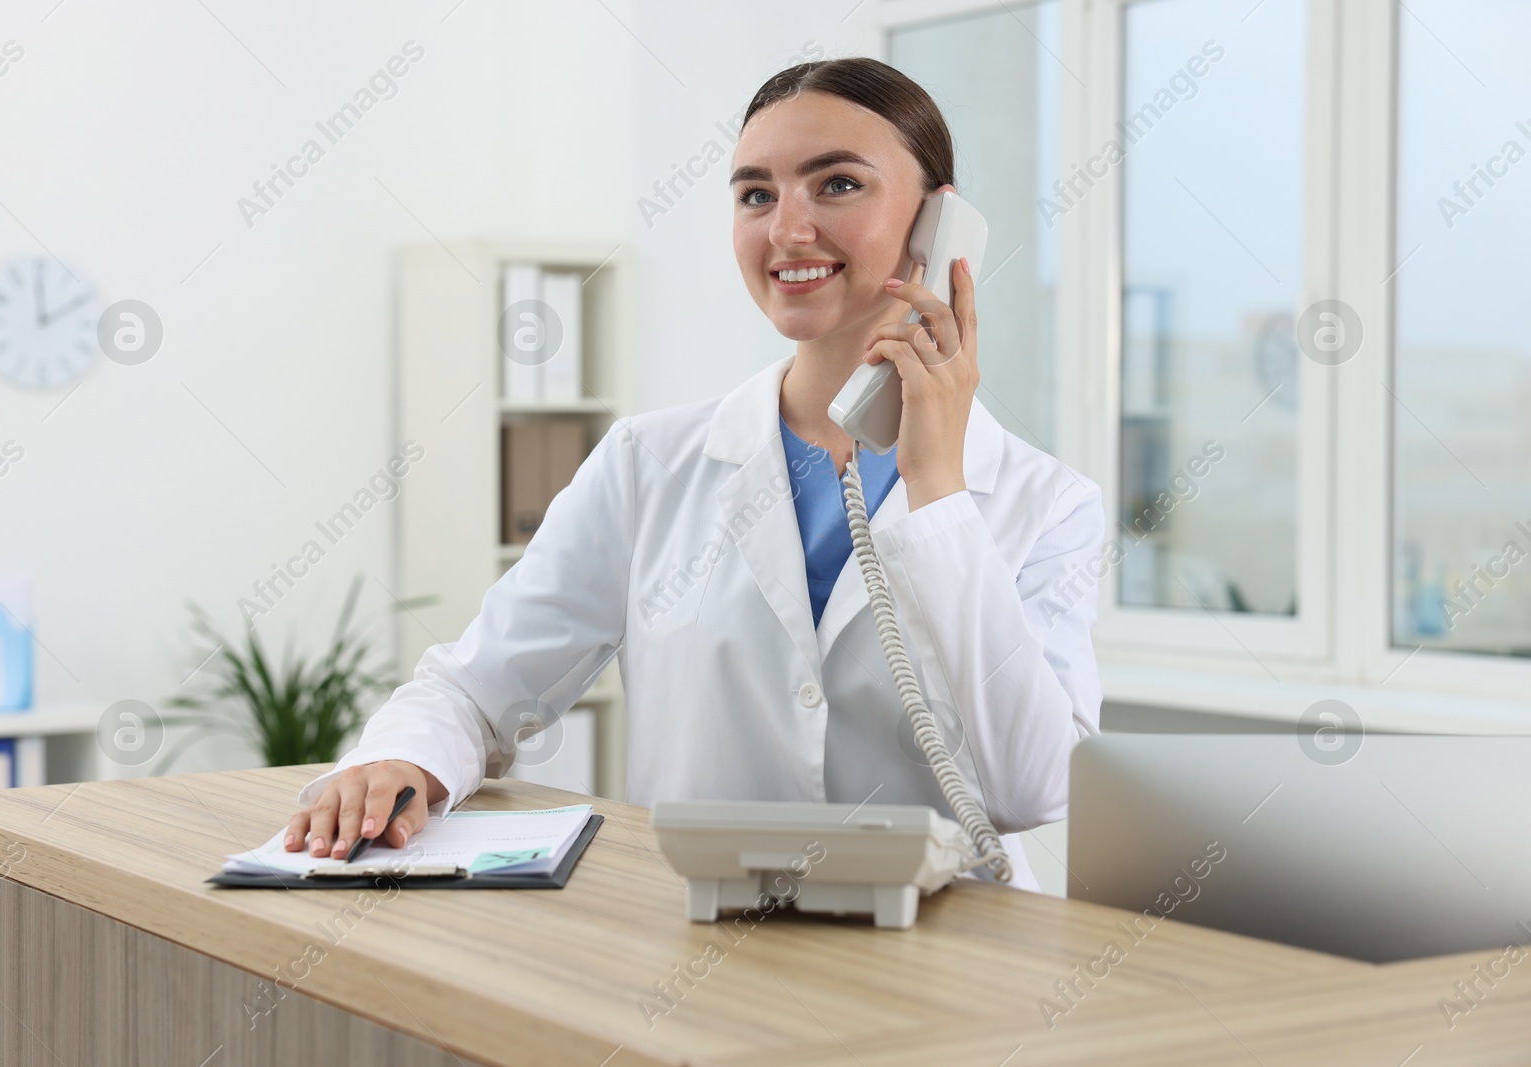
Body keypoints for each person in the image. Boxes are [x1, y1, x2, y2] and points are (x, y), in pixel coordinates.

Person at [283, 56, 1104, 892]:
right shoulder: (648, 465)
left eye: (837, 185)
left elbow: (1031, 786)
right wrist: (398, 759)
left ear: (940, 223)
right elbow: (478, 688)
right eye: (755, 194)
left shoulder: (1048, 504)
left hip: (951, 976)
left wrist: (939, 493)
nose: (787, 229)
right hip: (699, 963)